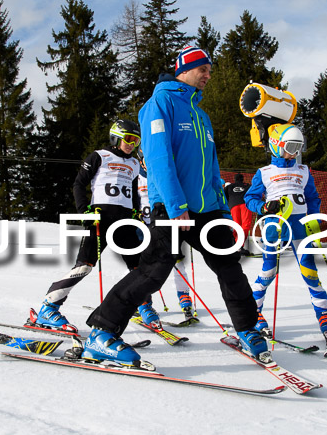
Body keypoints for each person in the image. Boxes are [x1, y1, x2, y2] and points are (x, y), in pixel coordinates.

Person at [82, 45, 268, 366]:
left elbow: (211, 167)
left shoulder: (201, 114)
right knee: (154, 271)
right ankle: (102, 332)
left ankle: (248, 329)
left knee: (229, 267)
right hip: (171, 206)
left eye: (210, 71)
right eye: (204, 70)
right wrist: (175, 204)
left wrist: (222, 209)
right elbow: (157, 159)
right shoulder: (159, 105)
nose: (208, 76)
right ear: (186, 69)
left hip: (208, 208)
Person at [28, 120, 142, 332]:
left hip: (125, 221)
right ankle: (48, 307)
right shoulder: (99, 156)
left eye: (136, 141)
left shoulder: (135, 164)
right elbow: (79, 184)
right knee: (84, 266)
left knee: (140, 268)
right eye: (128, 139)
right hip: (100, 218)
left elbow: (133, 192)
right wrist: (84, 211)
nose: (131, 144)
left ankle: (142, 307)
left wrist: (136, 211)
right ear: (116, 137)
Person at [244, 124, 327, 357]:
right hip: (275, 227)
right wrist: (264, 207)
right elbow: (251, 198)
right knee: (269, 271)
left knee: (310, 272)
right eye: (290, 147)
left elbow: (312, 198)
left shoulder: (304, 170)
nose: (294, 152)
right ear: (276, 146)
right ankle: (254, 314)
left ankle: (325, 317)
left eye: (298, 147)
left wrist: (314, 221)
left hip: (300, 227)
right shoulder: (264, 172)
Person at [135, 149, 195, 323]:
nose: (149, 162)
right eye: (146, 159)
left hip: (165, 227)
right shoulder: (136, 177)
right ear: (141, 160)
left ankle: (185, 299)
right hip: (143, 228)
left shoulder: (163, 174)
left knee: (178, 263)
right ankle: (141, 301)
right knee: (140, 267)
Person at [225, 173, 253, 255]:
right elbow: (253, 194)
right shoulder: (247, 185)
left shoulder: (229, 186)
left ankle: (234, 244)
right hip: (245, 205)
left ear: (234, 179)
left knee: (236, 225)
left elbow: (224, 197)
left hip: (233, 206)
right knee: (245, 225)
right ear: (242, 179)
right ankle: (239, 246)